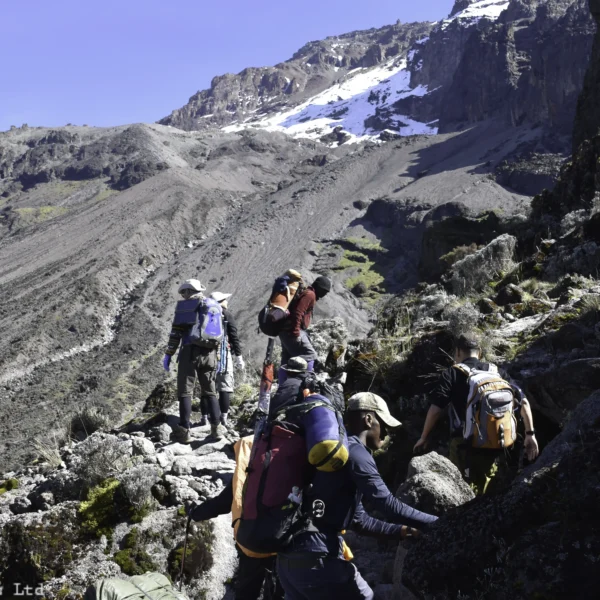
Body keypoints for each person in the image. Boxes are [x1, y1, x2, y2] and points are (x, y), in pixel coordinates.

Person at [277, 391, 438, 600]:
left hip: (289, 562)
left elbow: (360, 521)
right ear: (368, 419)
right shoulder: (356, 453)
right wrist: (440, 523)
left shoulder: (333, 456)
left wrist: (402, 531)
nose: (387, 433)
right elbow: (388, 504)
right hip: (319, 560)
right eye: (385, 425)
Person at [413, 333, 540, 495]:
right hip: (496, 441)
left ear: (458, 352)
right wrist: (530, 434)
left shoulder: (452, 373)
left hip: (465, 444)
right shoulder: (496, 372)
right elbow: (524, 402)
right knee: (489, 490)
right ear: (479, 352)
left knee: (460, 491)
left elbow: (436, 409)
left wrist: (424, 437)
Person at [186, 436, 284, 600]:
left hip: (253, 540)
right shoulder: (296, 458)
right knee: (279, 589)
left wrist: (195, 513)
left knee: (247, 589)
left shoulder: (253, 465)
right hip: (287, 542)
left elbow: (225, 502)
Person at [162, 279, 222, 443]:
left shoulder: (185, 307)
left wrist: (169, 354)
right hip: (210, 354)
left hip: (190, 352)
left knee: (185, 392)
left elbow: (176, 333)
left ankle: (185, 431)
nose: (183, 295)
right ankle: (216, 428)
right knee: (210, 391)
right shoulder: (212, 305)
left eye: (184, 292)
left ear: (189, 291)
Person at [195, 291, 246, 428]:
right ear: (221, 301)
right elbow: (234, 337)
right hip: (222, 355)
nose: (227, 302)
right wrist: (239, 358)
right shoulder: (226, 315)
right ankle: (223, 418)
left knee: (207, 387)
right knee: (225, 387)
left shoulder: (203, 314)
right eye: (225, 299)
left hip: (205, 355)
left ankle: (204, 417)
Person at [278, 275, 331, 384]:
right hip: (293, 331)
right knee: (311, 355)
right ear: (320, 287)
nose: (325, 294)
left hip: (284, 331)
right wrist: (296, 333)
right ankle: (305, 385)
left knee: (286, 359)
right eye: (325, 291)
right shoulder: (310, 295)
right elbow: (298, 313)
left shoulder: (307, 292)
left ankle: (282, 386)